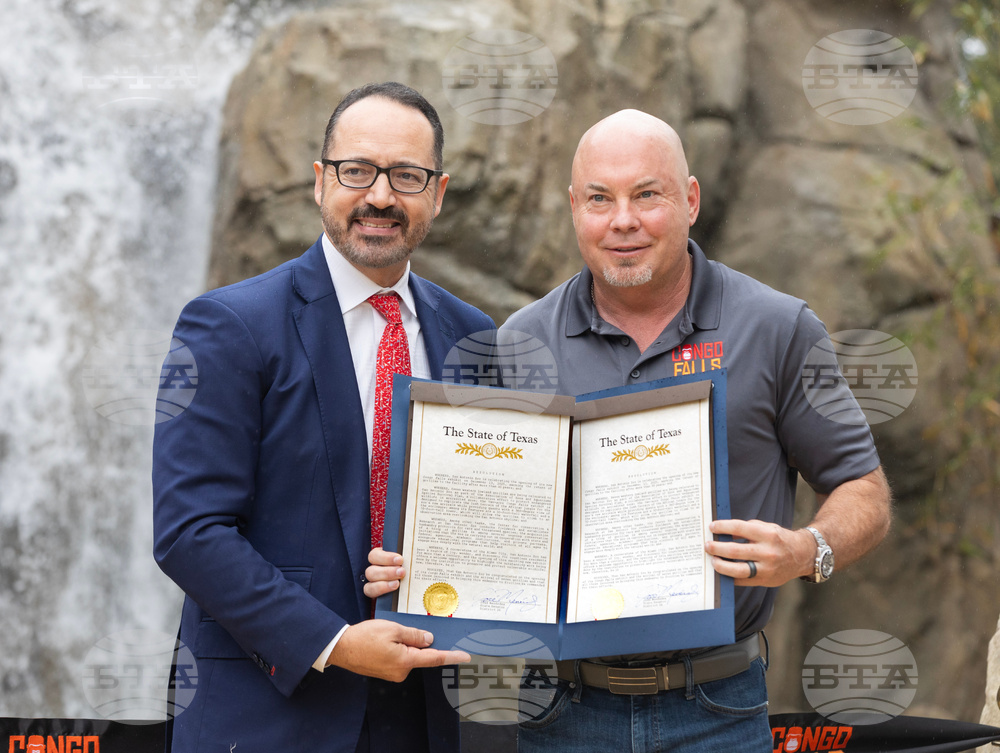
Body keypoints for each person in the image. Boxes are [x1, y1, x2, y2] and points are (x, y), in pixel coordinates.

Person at [498, 109, 892, 751]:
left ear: (690, 200)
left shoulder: (779, 328)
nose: (622, 219)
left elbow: (864, 489)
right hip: (558, 709)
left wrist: (803, 551)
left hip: (718, 706)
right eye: (600, 198)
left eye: (646, 194)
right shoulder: (520, 342)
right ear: (575, 208)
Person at [152, 82, 490, 753]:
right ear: (319, 181)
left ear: (439, 193)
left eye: (407, 176)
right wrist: (334, 642)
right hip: (268, 715)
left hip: (423, 718)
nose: (381, 196)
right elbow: (189, 530)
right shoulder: (227, 325)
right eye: (357, 170)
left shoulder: (471, 337)